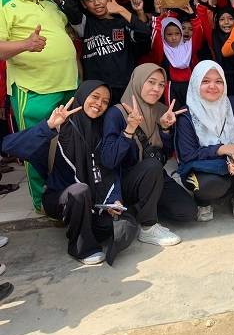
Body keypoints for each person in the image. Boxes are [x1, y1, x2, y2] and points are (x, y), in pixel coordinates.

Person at [2, 81, 149, 264]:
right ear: (83, 96)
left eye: (105, 101)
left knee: (121, 226)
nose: (99, 104)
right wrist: (48, 126)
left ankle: (90, 224)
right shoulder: (61, 128)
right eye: (95, 97)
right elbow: (9, 145)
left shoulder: (102, 129)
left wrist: (113, 199)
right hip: (62, 196)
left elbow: (112, 168)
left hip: (95, 200)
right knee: (80, 191)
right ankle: (81, 248)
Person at [0, 0, 78, 212]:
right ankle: (42, 203)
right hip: (34, 90)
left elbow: (65, 29)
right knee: (36, 147)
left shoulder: (47, 1)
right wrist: (26, 44)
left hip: (67, 86)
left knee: (68, 144)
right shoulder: (3, 1)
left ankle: (68, 192)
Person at [101, 63, 197, 242]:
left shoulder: (161, 111)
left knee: (187, 211)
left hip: (154, 176)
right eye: (151, 82)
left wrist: (166, 130)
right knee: (151, 166)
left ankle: (139, 208)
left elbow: (164, 156)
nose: (156, 89)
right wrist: (129, 129)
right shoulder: (117, 113)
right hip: (126, 181)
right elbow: (109, 160)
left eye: (161, 84)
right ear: (138, 81)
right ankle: (148, 226)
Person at [175, 61, 234, 221]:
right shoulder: (186, 114)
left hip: (232, 163)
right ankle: (203, 202)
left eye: (218, 81)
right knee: (212, 185)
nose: (212, 86)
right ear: (195, 83)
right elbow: (188, 155)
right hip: (204, 168)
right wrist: (222, 149)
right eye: (205, 81)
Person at [62, 0, 152, 104]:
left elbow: (145, 34)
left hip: (126, 90)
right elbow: (67, 5)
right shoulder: (84, 23)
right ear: (84, 4)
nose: (97, 3)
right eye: (90, 0)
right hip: (97, 93)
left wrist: (121, 10)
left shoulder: (122, 21)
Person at [197, 0, 234, 98]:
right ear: (217, 22)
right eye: (222, 19)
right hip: (220, 79)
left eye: (230, 19)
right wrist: (203, 3)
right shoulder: (213, 36)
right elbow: (203, 21)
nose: (226, 22)